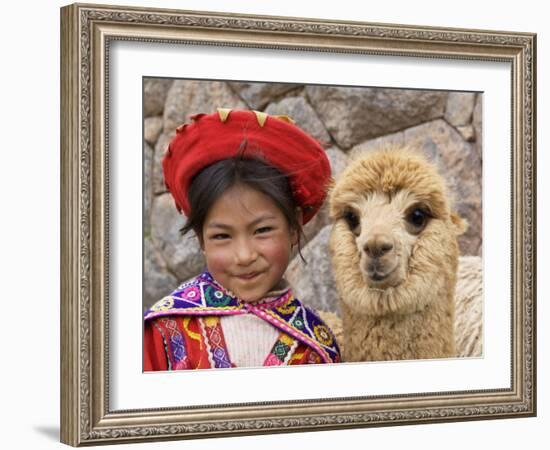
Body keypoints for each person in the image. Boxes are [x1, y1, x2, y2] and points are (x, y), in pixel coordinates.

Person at [144, 108, 340, 371]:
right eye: (222, 236)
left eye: (262, 231)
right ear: (201, 239)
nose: (245, 255)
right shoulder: (164, 331)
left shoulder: (317, 347)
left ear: (293, 227)